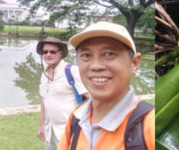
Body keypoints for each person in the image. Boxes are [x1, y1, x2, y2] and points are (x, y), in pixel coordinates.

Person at [57, 21, 154, 150]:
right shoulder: (76, 117)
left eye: (109, 54)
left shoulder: (149, 125)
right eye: (86, 55)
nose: (96, 66)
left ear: (135, 63)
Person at [37, 37, 88, 150]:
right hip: (50, 130)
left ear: (61, 53)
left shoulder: (72, 70)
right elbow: (44, 101)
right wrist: (41, 126)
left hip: (70, 130)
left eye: (52, 51)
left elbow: (92, 98)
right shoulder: (44, 74)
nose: (48, 54)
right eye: (45, 52)